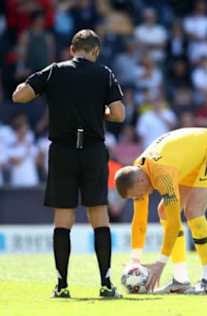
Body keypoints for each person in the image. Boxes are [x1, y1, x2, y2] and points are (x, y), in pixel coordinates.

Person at [12, 29, 125, 299]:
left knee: (63, 218)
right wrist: (99, 111)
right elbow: (119, 114)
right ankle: (106, 284)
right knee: (99, 215)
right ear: (95, 51)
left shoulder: (55, 70)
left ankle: (62, 285)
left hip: (62, 151)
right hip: (93, 151)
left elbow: (19, 96)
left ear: (71, 49)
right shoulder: (104, 73)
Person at [115, 128, 207, 294]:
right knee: (164, 211)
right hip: (193, 158)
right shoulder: (139, 171)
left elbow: (174, 224)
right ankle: (180, 280)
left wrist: (160, 263)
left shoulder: (163, 176)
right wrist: (135, 258)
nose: (140, 197)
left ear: (140, 180)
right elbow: (139, 219)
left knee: (193, 211)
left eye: (137, 194)